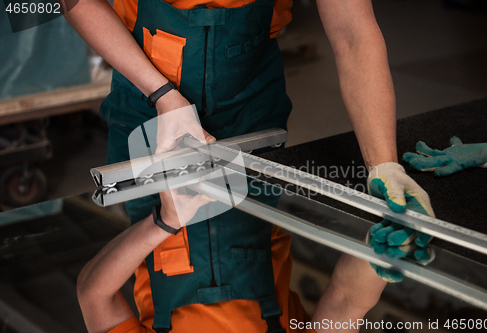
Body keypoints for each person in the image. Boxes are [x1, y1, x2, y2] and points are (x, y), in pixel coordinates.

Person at [63, 0, 435, 332]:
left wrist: (164, 222)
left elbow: (93, 295)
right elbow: (346, 303)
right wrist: (386, 241)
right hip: (237, 159)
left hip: (164, 196)